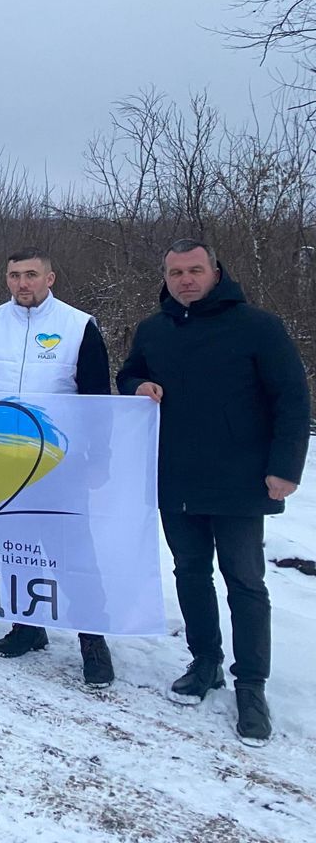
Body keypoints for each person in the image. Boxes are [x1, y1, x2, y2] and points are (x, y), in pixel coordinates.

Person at [116, 239, 309, 746]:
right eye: (176, 272)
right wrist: (137, 385)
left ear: (215, 272)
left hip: (242, 478)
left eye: (194, 270)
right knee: (190, 573)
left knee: (245, 582)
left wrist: (285, 467)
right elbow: (130, 371)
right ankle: (205, 663)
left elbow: (291, 398)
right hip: (175, 475)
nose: (185, 280)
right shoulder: (154, 329)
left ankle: (251, 685)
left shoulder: (258, 327)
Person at [0, 249, 116, 688]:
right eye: (14, 276)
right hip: (2, 460)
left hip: (58, 464)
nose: (22, 283)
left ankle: (93, 640)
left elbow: (97, 397)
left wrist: (97, 458)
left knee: (73, 554)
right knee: (14, 548)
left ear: (51, 278)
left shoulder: (77, 325)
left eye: (31, 275)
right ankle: (27, 626)